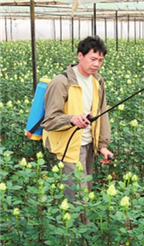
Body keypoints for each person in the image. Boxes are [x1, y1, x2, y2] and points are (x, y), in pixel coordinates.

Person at [41, 35, 113, 201]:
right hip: (68, 147)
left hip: (88, 145)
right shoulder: (61, 82)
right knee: (77, 198)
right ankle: (79, 226)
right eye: (93, 58)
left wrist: (102, 146)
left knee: (85, 191)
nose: (96, 64)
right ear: (80, 56)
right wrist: (71, 119)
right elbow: (49, 120)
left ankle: (84, 226)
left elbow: (102, 113)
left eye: (101, 60)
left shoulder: (97, 81)